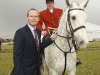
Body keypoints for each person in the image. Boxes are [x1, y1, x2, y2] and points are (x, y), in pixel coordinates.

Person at [10, 8, 58, 75]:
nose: (33, 18)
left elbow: (38, 47)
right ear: (27, 18)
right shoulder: (20, 32)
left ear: (38, 19)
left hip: (36, 70)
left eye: (36, 16)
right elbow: (17, 56)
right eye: (31, 16)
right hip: (24, 71)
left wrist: (51, 39)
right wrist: (19, 73)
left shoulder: (38, 31)